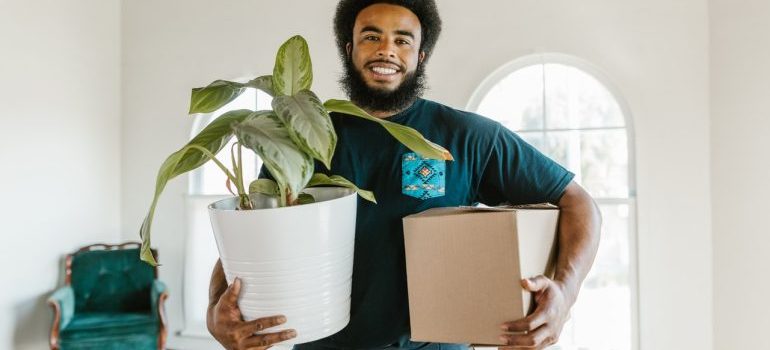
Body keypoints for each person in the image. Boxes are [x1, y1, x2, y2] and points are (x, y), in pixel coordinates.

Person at [207, 1, 602, 349]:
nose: (386, 50)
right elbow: (251, 231)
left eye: (403, 40)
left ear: (421, 55)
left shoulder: (467, 136)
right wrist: (215, 313)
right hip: (323, 344)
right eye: (371, 37)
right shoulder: (299, 138)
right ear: (349, 49)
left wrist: (565, 295)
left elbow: (578, 203)